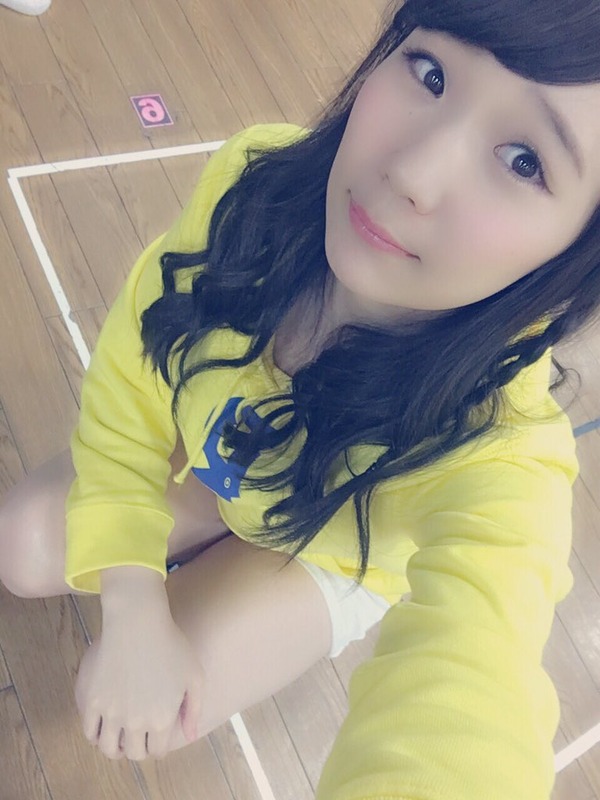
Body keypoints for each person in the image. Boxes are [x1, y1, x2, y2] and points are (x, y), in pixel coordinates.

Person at [1, 0, 599, 797]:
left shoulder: (500, 452)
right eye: (430, 72)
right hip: (230, 455)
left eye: (524, 161)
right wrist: (133, 594)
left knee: (153, 714)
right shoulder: (259, 187)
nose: (412, 175)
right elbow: (132, 371)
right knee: (24, 545)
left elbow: (476, 690)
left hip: (330, 545)